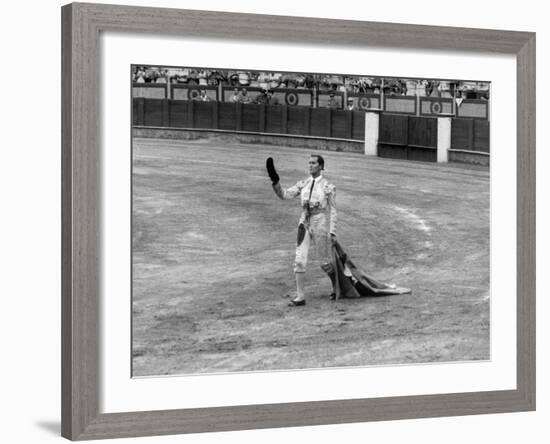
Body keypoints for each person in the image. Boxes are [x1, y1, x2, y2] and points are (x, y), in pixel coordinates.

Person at [266, 155, 337, 306]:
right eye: (309, 163)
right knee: (299, 260)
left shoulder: (328, 186)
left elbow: (334, 210)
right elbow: (285, 195)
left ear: (321, 166)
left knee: (324, 262)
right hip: (304, 221)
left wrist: (332, 231)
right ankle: (300, 296)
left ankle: (336, 287)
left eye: (313, 163)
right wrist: (275, 181)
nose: (310, 165)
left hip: (320, 222)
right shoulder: (303, 183)